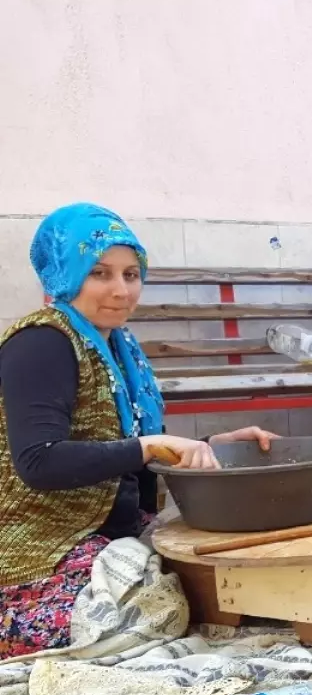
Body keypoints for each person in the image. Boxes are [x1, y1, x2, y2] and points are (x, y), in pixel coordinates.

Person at [0, 203, 278, 658]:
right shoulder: (41, 343)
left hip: (113, 536)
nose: (121, 290)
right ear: (64, 274)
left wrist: (212, 447)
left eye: (131, 274)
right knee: (155, 612)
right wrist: (149, 446)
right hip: (38, 553)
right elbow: (39, 460)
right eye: (100, 273)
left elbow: (130, 449)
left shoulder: (119, 347)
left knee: (225, 573)